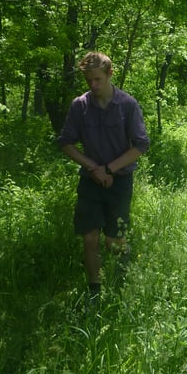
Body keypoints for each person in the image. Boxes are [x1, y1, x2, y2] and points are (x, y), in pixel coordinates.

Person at [57, 51, 150, 305]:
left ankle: (123, 274)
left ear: (110, 75)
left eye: (97, 79)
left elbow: (141, 145)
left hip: (119, 181)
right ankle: (95, 290)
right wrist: (94, 168)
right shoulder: (80, 106)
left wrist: (109, 169)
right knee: (90, 236)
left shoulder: (128, 105)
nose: (93, 86)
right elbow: (66, 143)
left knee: (114, 240)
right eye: (89, 81)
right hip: (90, 180)